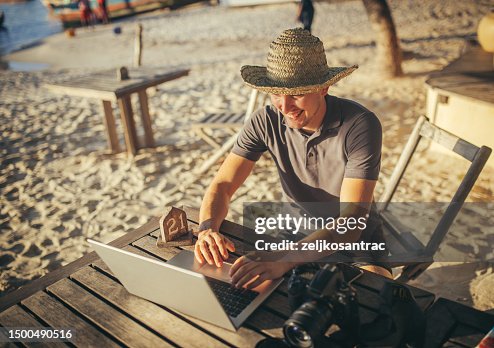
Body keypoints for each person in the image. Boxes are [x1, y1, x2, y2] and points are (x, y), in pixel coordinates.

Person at [194, 28, 392, 290]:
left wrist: (285, 259)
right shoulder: (264, 120)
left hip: (356, 243)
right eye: (276, 93)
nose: (284, 108)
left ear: (324, 88)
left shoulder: (360, 124)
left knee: (374, 295)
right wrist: (207, 228)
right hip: (294, 234)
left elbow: (352, 220)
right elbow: (223, 184)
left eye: (296, 94)